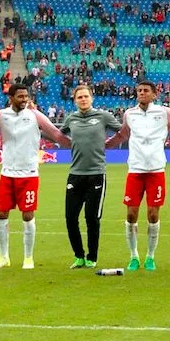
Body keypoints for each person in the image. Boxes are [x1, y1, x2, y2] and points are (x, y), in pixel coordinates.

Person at [0, 85, 67, 270]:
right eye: (20, 96)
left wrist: (75, 143)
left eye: (26, 96)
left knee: (28, 215)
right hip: (7, 172)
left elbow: (55, 133)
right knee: (1, 213)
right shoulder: (2, 115)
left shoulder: (35, 115)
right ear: (11, 98)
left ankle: (28, 257)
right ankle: (3, 257)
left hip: (29, 173)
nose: (24, 99)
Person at [111, 80, 170, 272]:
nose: (141, 93)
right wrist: (103, 145)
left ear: (155, 94)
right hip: (135, 170)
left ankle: (150, 256)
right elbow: (122, 135)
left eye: (145, 91)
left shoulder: (164, 112)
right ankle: (134, 256)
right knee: (131, 214)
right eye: (139, 90)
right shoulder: (130, 114)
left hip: (156, 170)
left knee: (153, 214)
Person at [53, 85, 123, 269]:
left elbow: (122, 132)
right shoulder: (71, 119)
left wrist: (109, 144)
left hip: (96, 174)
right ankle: (79, 256)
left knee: (92, 218)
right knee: (70, 218)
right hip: (75, 174)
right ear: (74, 100)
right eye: (79, 97)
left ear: (92, 98)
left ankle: (92, 257)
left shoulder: (103, 116)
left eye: (86, 96)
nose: (83, 99)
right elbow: (60, 136)